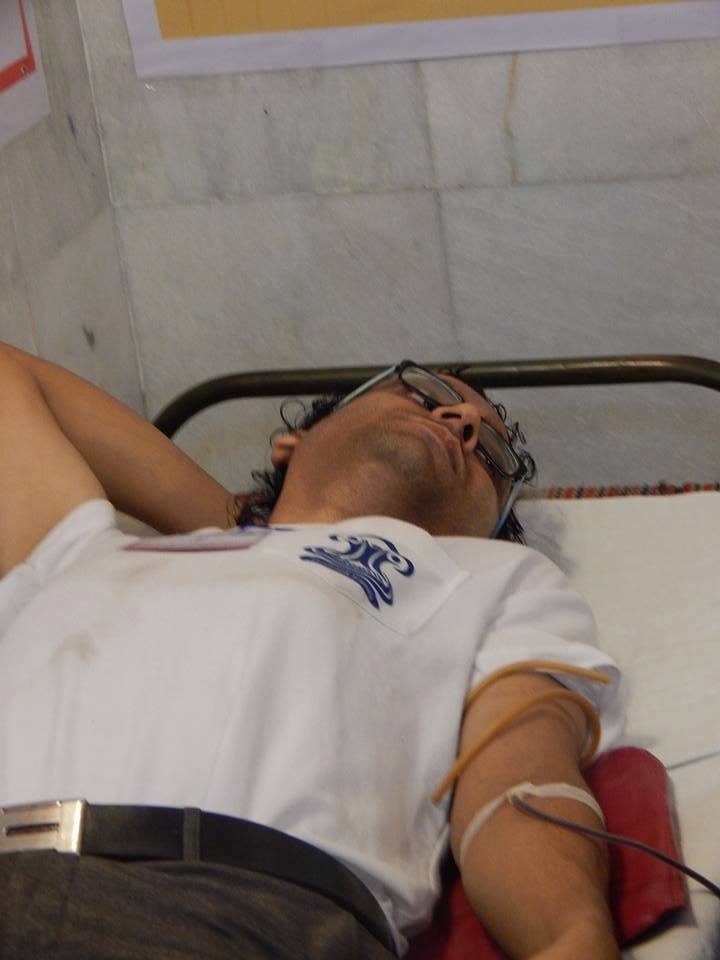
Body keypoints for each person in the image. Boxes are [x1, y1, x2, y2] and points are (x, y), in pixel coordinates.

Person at [0, 343, 624, 960]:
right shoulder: (74, 551)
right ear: (291, 442)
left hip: (227, 908)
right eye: (423, 393)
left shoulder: (491, 579)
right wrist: (255, 532)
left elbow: (519, 778)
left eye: (490, 452)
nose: (461, 421)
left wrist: (572, 938)